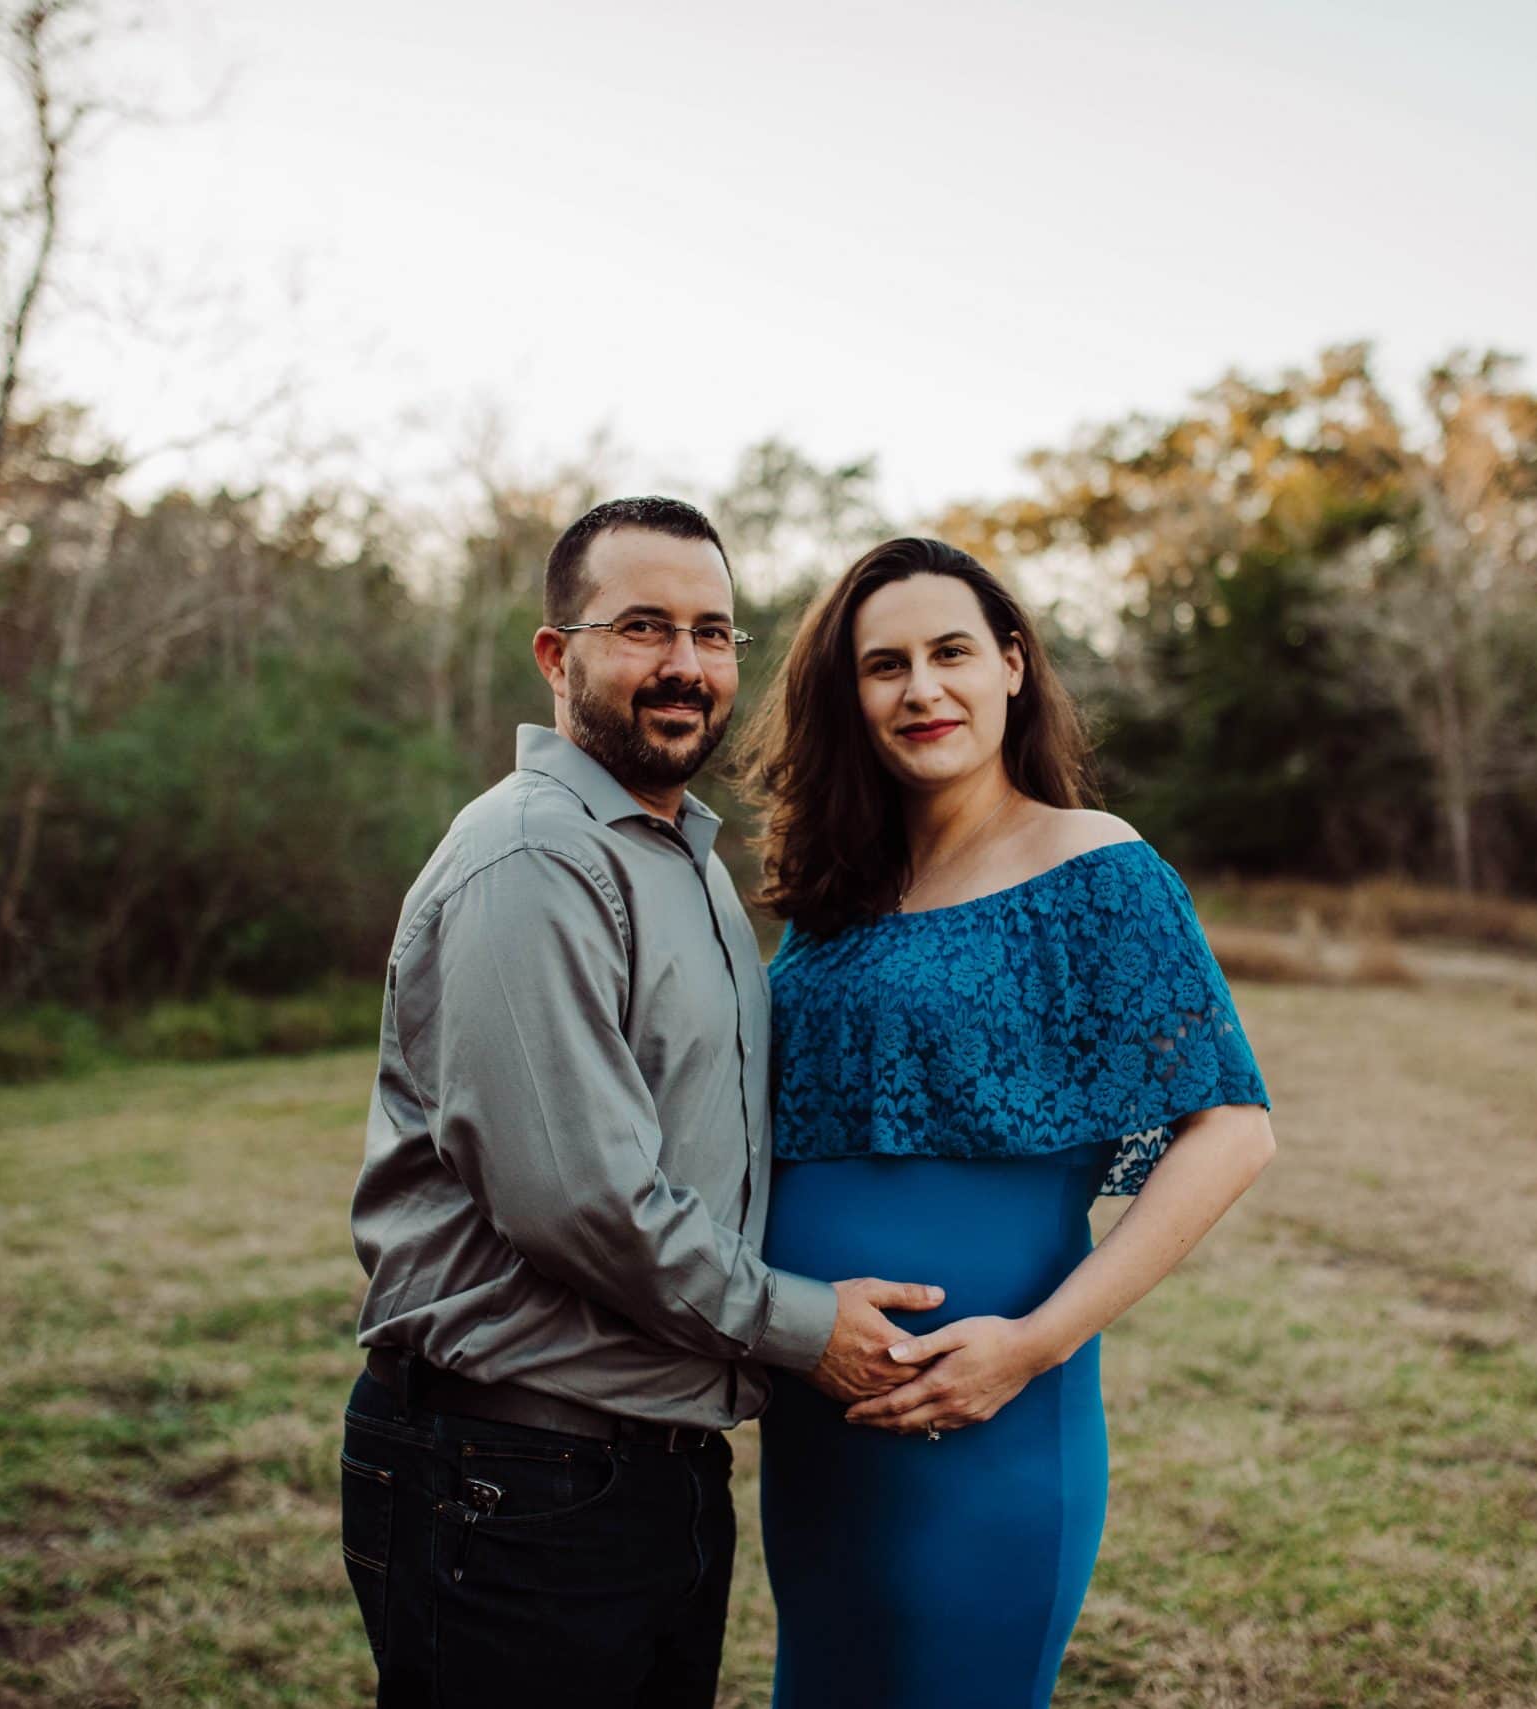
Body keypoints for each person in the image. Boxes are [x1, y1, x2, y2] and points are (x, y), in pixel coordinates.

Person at [342, 497, 946, 1709]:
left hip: (648, 1471)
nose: (685, 665)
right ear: (557, 656)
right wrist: (803, 1323)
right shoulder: (533, 858)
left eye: (713, 633)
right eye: (643, 628)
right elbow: (583, 1201)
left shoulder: (683, 863)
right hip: (516, 1473)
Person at [737, 536, 1279, 1708]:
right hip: (819, 1415)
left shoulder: (1097, 867)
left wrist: (1028, 1346)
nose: (920, 688)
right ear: (850, 695)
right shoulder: (832, 899)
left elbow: (1232, 1128)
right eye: (885, 665)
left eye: (950, 653)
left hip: (991, 1411)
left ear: (1013, 666)